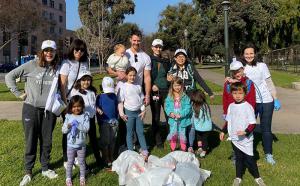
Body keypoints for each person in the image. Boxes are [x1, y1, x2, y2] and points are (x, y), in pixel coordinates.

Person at [5, 40, 59, 186]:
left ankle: (45, 168)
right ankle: (28, 171)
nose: (49, 53)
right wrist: (17, 93)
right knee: (31, 140)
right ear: (42, 52)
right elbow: (9, 76)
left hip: (49, 111)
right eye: (46, 50)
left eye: (52, 51)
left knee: (47, 141)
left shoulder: (57, 67)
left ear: (55, 52)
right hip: (31, 108)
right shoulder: (31, 65)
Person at [167, 48, 214, 152]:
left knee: (191, 122)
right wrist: (168, 78)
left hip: (191, 97)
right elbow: (169, 79)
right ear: (175, 58)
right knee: (182, 120)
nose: (181, 58)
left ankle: (190, 145)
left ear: (186, 58)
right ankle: (181, 142)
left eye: (183, 56)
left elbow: (199, 79)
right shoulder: (172, 67)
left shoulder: (190, 67)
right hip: (179, 98)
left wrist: (209, 92)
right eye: (178, 56)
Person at [219, 82, 266, 186]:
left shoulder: (248, 107)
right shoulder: (231, 106)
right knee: (238, 158)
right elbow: (229, 121)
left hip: (246, 139)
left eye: (240, 93)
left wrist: (246, 132)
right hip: (235, 139)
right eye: (235, 93)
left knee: (250, 159)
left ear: (245, 93)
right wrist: (223, 131)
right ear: (231, 93)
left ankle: (257, 177)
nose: (237, 96)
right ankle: (238, 177)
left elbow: (253, 123)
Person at [242, 43, 281, 165]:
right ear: (243, 55)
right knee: (248, 128)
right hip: (250, 103)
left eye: (251, 53)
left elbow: (269, 82)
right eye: (246, 53)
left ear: (255, 54)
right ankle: (245, 153)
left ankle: (268, 154)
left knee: (266, 129)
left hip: (266, 101)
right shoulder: (241, 68)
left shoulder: (262, 66)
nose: (249, 56)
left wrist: (275, 98)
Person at [59, 39, 90, 168]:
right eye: (77, 49)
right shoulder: (67, 63)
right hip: (69, 102)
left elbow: (86, 81)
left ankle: (77, 156)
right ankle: (67, 159)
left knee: (80, 128)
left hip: (81, 102)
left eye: (82, 50)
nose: (79, 52)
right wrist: (65, 102)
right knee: (68, 129)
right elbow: (62, 84)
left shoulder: (84, 64)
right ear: (72, 49)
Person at [223, 59, 256, 164]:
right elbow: (225, 99)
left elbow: (251, 99)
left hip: (245, 114)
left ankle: (248, 155)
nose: (237, 73)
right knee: (234, 134)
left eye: (239, 71)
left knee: (246, 134)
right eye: (234, 72)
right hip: (233, 114)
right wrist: (225, 112)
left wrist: (251, 113)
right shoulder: (228, 84)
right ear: (231, 72)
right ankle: (236, 154)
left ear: (243, 69)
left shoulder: (248, 82)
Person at [70, 70, 103, 167]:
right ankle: (83, 165)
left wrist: (97, 109)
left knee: (94, 140)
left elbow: (93, 103)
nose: (86, 82)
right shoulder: (75, 92)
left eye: (88, 80)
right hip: (81, 122)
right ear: (79, 80)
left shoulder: (92, 91)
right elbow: (74, 107)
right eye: (84, 80)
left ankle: (99, 160)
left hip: (91, 120)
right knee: (81, 143)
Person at [118, 67, 148, 159]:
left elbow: (141, 100)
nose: (132, 77)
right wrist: (121, 113)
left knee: (140, 132)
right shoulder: (123, 87)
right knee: (129, 133)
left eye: (134, 75)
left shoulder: (138, 86)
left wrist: (143, 111)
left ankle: (145, 150)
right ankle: (131, 152)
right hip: (129, 113)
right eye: (130, 75)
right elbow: (120, 102)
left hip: (139, 113)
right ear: (126, 75)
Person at [62, 95, 90, 186]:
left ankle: (82, 177)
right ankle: (68, 178)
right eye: (74, 106)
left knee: (82, 162)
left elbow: (86, 129)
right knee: (70, 162)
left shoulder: (85, 116)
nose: (76, 108)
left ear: (82, 106)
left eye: (78, 106)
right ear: (71, 107)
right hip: (70, 145)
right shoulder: (68, 116)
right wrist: (68, 126)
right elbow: (63, 130)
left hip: (81, 145)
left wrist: (77, 124)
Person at [150, 39, 171, 148]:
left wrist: (169, 80)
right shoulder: (149, 60)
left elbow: (170, 74)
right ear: (152, 47)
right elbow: (147, 76)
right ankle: (158, 141)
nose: (158, 49)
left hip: (166, 91)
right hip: (155, 92)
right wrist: (152, 85)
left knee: (169, 115)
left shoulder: (166, 61)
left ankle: (171, 137)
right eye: (156, 47)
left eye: (160, 47)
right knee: (156, 117)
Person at [96, 76, 119, 168]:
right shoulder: (100, 97)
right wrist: (98, 110)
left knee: (113, 139)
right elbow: (96, 108)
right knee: (106, 141)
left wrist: (117, 118)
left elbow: (117, 107)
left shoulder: (114, 96)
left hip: (114, 121)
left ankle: (111, 156)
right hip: (104, 122)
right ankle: (106, 157)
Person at [165, 77, 192, 151]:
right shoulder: (169, 96)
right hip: (173, 120)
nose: (177, 87)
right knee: (173, 134)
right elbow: (166, 106)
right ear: (172, 86)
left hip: (182, 120)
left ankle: (183, 149)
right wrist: (170, 113)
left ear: (182, 85)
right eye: (175, 85)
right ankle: (172, 149)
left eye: (179, 85)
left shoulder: (184, 96)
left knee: (182, 135)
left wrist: (181, 114)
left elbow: (188, 107)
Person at [190, 89, 213, 158]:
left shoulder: (198, 107)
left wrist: (191, 123)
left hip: (203, 128)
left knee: (202, 139)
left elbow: (194, 117)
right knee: (200, 138)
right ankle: (200, 148)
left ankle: (204, 151)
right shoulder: (205, 105)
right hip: (204, 128)